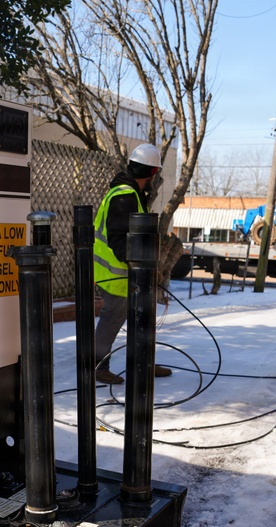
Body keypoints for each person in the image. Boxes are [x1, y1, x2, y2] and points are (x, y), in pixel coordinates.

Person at [93, 143, 173, 384]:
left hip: (127, 272)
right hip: (117, 273)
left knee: (143, 316)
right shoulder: (124, 195)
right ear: (152, 173)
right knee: (112, 319)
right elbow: (119, 239)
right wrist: (138, 265)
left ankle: (144, 363)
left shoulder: (129, 193)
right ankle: (98, 366)